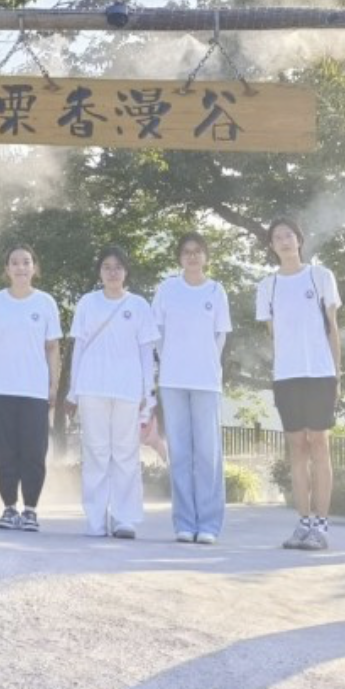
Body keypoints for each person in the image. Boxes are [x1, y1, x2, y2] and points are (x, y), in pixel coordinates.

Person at [255, 218, 342, 550]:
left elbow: (333, 328)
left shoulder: (320, 277)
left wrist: (337, 374)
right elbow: (274, 334)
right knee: (296, 446)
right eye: (277, 237)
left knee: (319, 443)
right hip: (286, 375)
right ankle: (303, 523)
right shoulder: (267, 286)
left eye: (288, 235)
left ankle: (322, 526)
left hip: (320, 373)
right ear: (272, 246)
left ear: (299, 240)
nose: (284, 241)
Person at [67, 245, 158, 539]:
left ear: (126, 271)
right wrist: (73, 390)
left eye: (118, 267)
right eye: (106, 267)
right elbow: (79, 347)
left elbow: (146, 352)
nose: (112, 272)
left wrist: (148, 392)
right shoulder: (87, 303)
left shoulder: (139, 305)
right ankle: (95, 519)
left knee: (125, 454)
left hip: (128, 389)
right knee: (95, 453)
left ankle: (124, 518)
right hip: (92, 387)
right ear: (99, 272)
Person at [152, 232, 232, 544]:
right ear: (179, 257)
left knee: (208, 454)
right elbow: (157, 332)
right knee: (180, 453)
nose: (192, 256)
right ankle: (184, 523)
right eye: (186, 251)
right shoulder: (167, 289)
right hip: (172, 381)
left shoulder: (216, 290)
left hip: (206, 382)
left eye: (198, 251)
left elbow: (220, 336)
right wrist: (169, 360)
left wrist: (205, 364)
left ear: (206, 256)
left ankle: (209, 524)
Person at [0, 245, 63, 532]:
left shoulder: (46, 303)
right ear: (7, 269)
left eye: (26, 262)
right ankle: (9, 507)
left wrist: (53, 385)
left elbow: (52, 347)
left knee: (34, 452)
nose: (21, 267)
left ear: (34, 267)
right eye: (14, 263)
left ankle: (31, 510)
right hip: (0, 388)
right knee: (4, 452)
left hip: (34, 390)